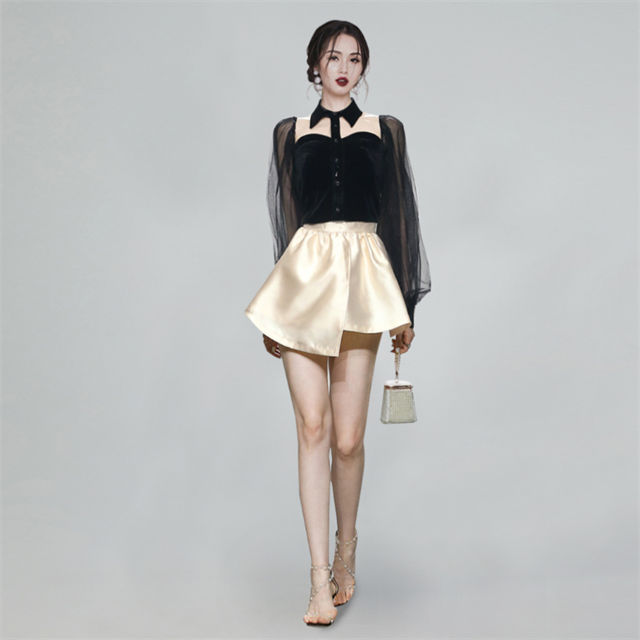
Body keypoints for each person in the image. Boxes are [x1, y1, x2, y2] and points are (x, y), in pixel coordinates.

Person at [244, 19, 431, 625]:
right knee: (312, 427)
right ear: (314, 66)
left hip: (363, 279)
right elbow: (287, 222)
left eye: (353, 58)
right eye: (332, 57)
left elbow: (400, 216)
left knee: (348, 440)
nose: (343, 67)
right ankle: (318, 579)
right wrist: (279, 308)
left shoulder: (384, 130)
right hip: (303, 282)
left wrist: (404, 304)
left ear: (363, 67)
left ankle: (347, 551)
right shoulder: (290, 133)